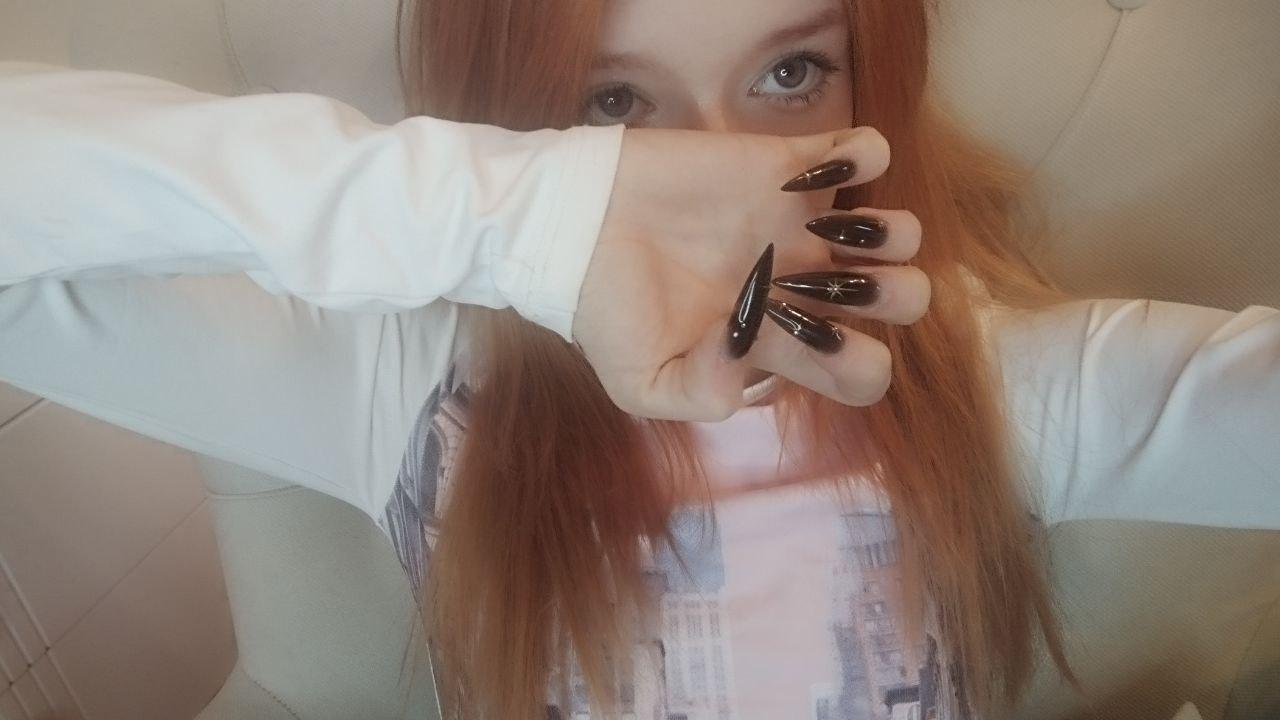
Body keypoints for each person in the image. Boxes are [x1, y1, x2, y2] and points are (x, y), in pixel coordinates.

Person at [0, 1, 1276, 720]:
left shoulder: (1008, 393)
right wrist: (520, 217)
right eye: (613, 104)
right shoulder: (400, 395)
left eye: (789, 72)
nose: (723, 175)